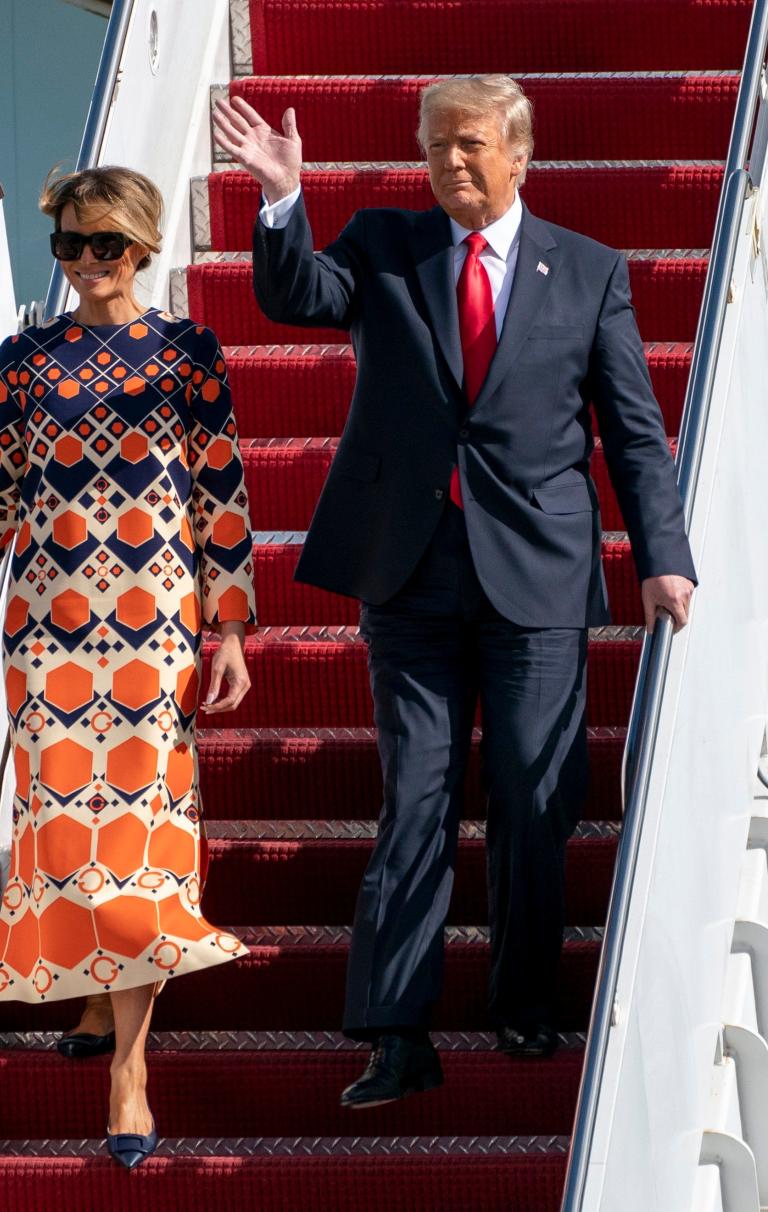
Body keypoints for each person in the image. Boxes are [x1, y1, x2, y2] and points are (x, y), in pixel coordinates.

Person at [214, 75, 695, 1107]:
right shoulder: (387, 245)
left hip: (541, 573)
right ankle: (395, 1033)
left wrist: (664, 554)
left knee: (531, 792)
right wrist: (281, 203)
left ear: (522, 151)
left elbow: (635, 433)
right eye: (435, 147)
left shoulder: (592, 271)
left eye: (470, 145)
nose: (451, 165)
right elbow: (299, 298)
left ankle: (523, 1000)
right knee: (418, 795)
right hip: (412, 569)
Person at [0, 165, 257, 1166]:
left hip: (154, 624)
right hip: (48, 626)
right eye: (68, 246)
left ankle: (130, 1068)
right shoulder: (24, 358)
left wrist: (235, 630)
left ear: (146, 246)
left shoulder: (186, 353)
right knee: (62, 823)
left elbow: (220, 499)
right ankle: (88, 987)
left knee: (141, 830)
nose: (85, 265)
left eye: (104, 246)